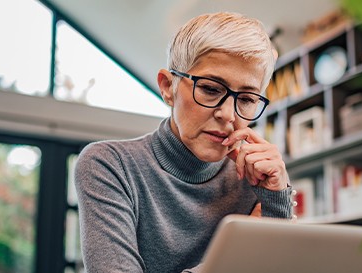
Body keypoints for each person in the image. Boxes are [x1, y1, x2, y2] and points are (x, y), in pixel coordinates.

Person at [75, 12, 295, 273]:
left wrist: (277, 203)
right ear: (168, 87)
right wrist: (238, 258)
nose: (228, 114)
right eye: (211, 89)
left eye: (246, 99)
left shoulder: (256, 178)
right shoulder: (110, 165)